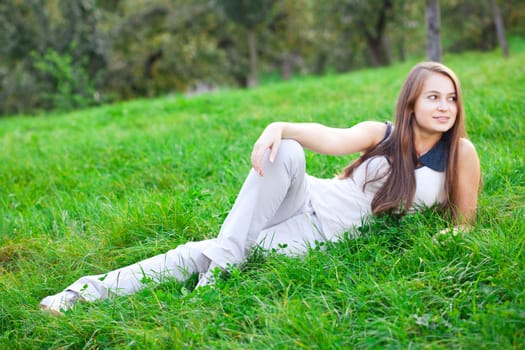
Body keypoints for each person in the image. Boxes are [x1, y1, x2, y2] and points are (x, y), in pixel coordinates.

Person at [39, 61, 481, 315]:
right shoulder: (381, 133)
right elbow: (327, 137)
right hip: (307, 197)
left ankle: (83, 293)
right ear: (411, 102)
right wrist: (278, 125)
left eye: (451, 97)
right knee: (287, 150)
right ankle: (222, 269)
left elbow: (465, 222)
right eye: (433, 97)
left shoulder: (461, 156)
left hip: (320, 235)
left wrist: (452, 235)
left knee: (197, 253)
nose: (444, 106)